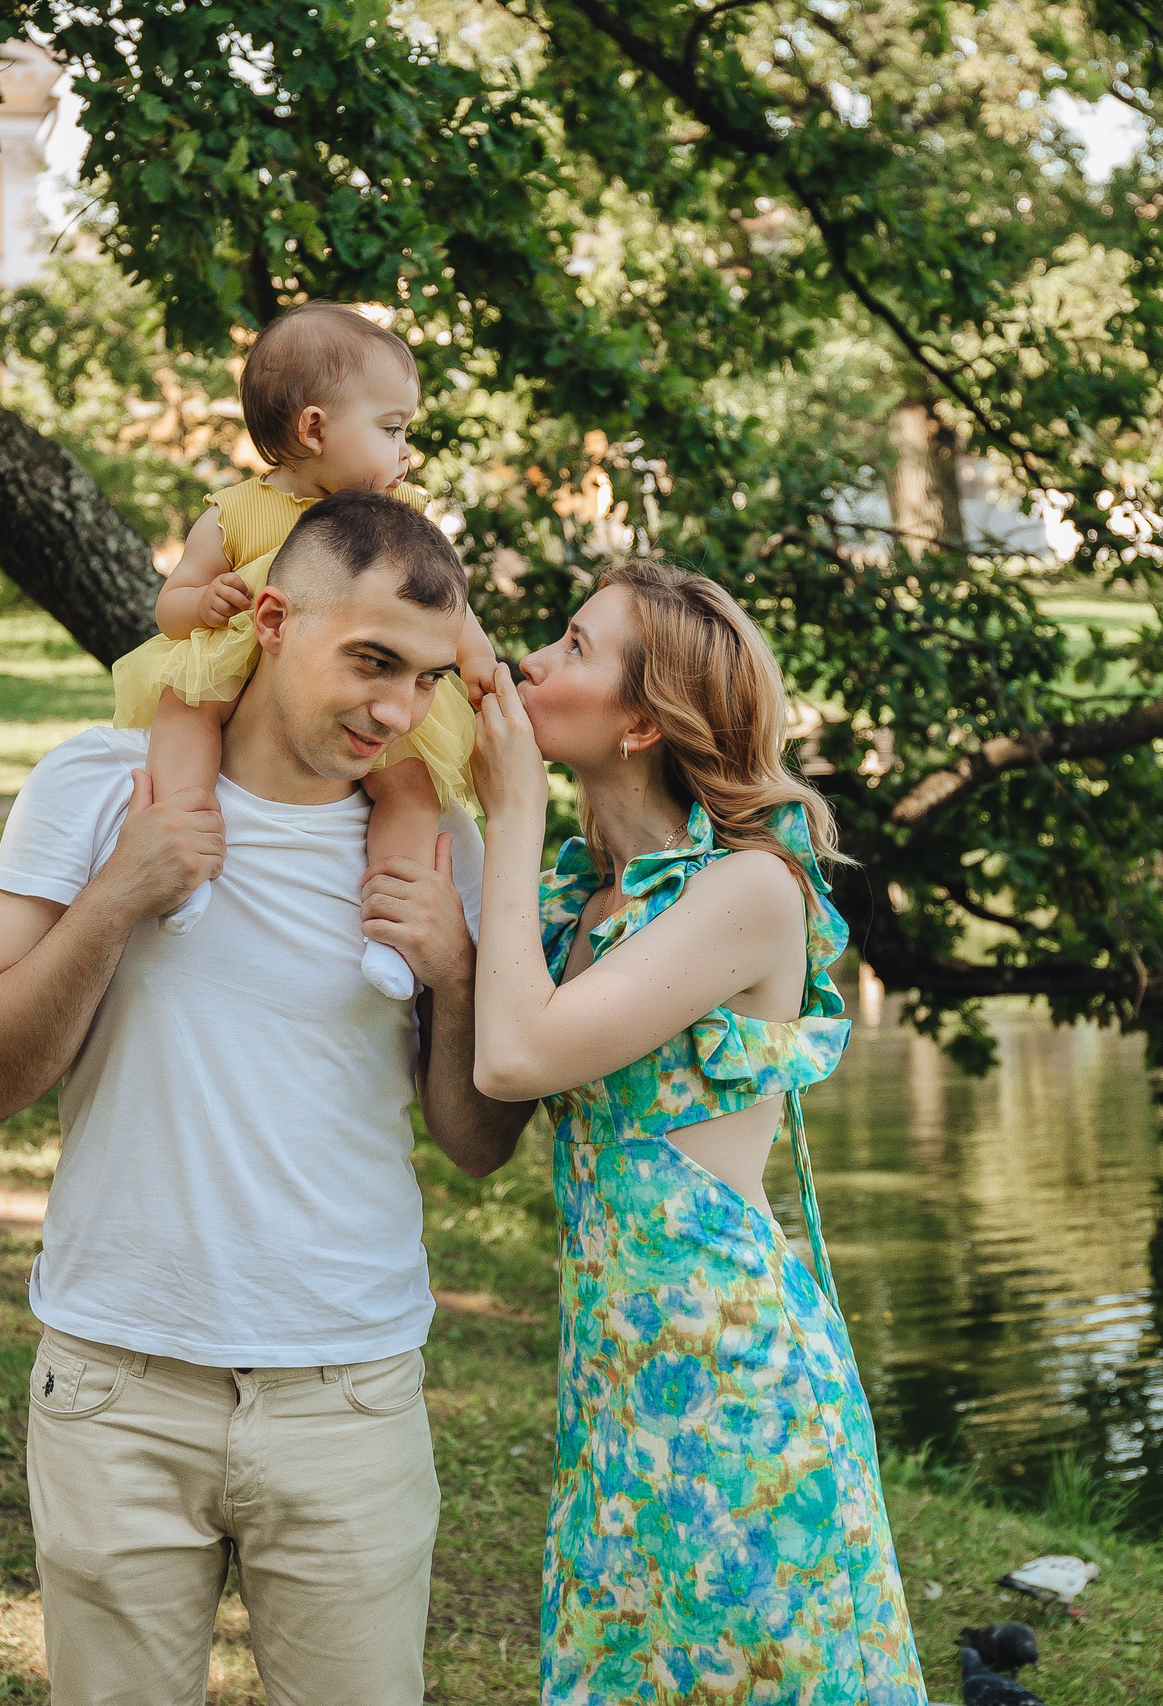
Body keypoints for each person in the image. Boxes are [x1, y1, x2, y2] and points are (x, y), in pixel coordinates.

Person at [0, 491, 533, 1706]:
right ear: (266, 618)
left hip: (350, 1390)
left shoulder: (437, 850)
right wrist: (119, 894)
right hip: (117, 1383)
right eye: (370, 661)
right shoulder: (98, 790)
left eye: (423, 679)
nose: (395, 712)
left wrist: (456, 977)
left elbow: (473, 1144)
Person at [466, 560, 927, 1703]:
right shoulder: (582, 901)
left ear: (639, 721)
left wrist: (510, 807)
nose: (536, 661)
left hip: (734, 1385)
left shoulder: (748, 890)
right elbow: (480, 1118)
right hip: (619, 1386)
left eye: (574, 647)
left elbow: (516, 1055)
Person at [112, 300, 498, 997]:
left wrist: (477, 664)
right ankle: (186, 859)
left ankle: (393, 927)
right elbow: (170, 605)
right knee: (185, 715)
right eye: (390, 428)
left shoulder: (400, 521)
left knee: (407, 787)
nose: (406, 452)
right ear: (314, 429)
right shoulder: (235, 512)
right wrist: (203, 603)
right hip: (236, 665)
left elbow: (447, 609)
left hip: (339, 690)